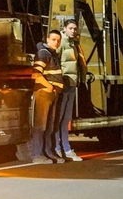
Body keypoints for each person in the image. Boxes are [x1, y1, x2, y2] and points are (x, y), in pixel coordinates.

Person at [32, 29, 65, 164]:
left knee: (50, 126)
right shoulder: (43, 54)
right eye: (53, 40)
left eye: (58, 40)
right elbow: (36, 75)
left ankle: (48, 152)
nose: (56, 42)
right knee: (41, 125)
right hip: (45, 93)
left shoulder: (52, 54)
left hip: (52, 93)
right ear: (47, 39)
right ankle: (37, 155)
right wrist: (50, 87)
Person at [54, 19, 85, 161]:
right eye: (71, 28)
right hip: (63, 85)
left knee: (66, 118)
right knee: (59, 118)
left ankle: (66, 148)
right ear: (64, 29)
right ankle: (58, 148)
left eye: (75, 28)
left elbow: (79, 63)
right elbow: (55, 62)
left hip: (72, 85)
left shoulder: (74, 43)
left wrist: (82, 79)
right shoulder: (61, 43)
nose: (73, 31)